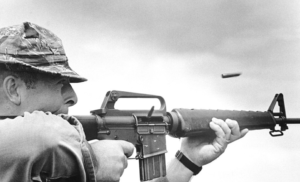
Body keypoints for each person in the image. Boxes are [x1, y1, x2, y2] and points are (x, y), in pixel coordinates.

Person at [0, 22, 248, 182]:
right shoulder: (40, 145)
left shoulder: (39, 166)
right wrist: (92, 161)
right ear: (13, 90)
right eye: (58, 83)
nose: (72, 96)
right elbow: (42, 136)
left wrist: (187, 160)